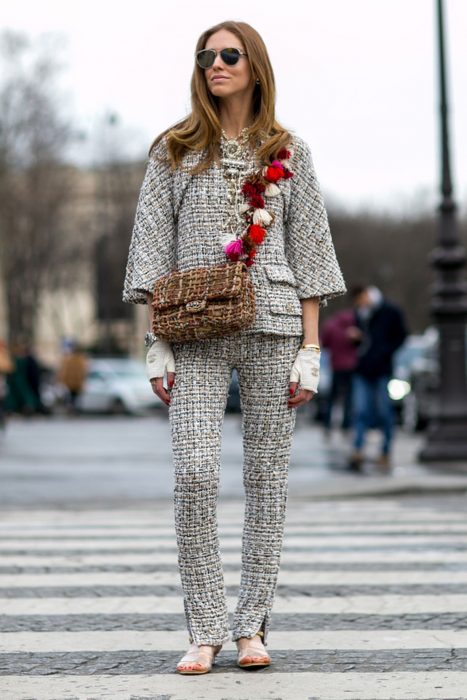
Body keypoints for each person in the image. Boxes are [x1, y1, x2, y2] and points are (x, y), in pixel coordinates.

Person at [123, 20, 346, 675]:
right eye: (205, 57)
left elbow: (309, 249)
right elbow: (149, 246)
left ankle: (251, 628)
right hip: (192, 332)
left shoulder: (288, 150)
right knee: (193, 478)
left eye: (228, 55)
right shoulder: (172, 149)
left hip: (275, 326)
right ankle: (204, 628)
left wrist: (311, 348)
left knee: (266, 485)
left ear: (254, 66)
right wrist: (153, 344)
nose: (215, 65)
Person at [348, 285, 407, 471]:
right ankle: (358, 449)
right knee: (360, 411)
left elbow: (401, 335)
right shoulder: (361, 314)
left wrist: (385, 352)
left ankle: (385, 451)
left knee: (384, 412)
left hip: (381, 369)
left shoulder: (390, 311)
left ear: (367, 295)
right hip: (363, 369)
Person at [321, 308, 358, 432]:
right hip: (351, 366)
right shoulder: (354, 326)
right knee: (349, 397)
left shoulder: (331, 326)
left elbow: (325, 344)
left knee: (332, 397)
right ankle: (346, 424)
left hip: (336, 365)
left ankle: (327, 423)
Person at [57, 343, 88, 412]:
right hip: (77, 383)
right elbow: (84, 372)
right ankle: (74, 409)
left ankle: (71, 408)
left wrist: (62, 380)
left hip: (70, 383)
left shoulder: (69, 360)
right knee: (75, 397)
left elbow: (65, 371)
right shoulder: (81, 360)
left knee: (71, 397)